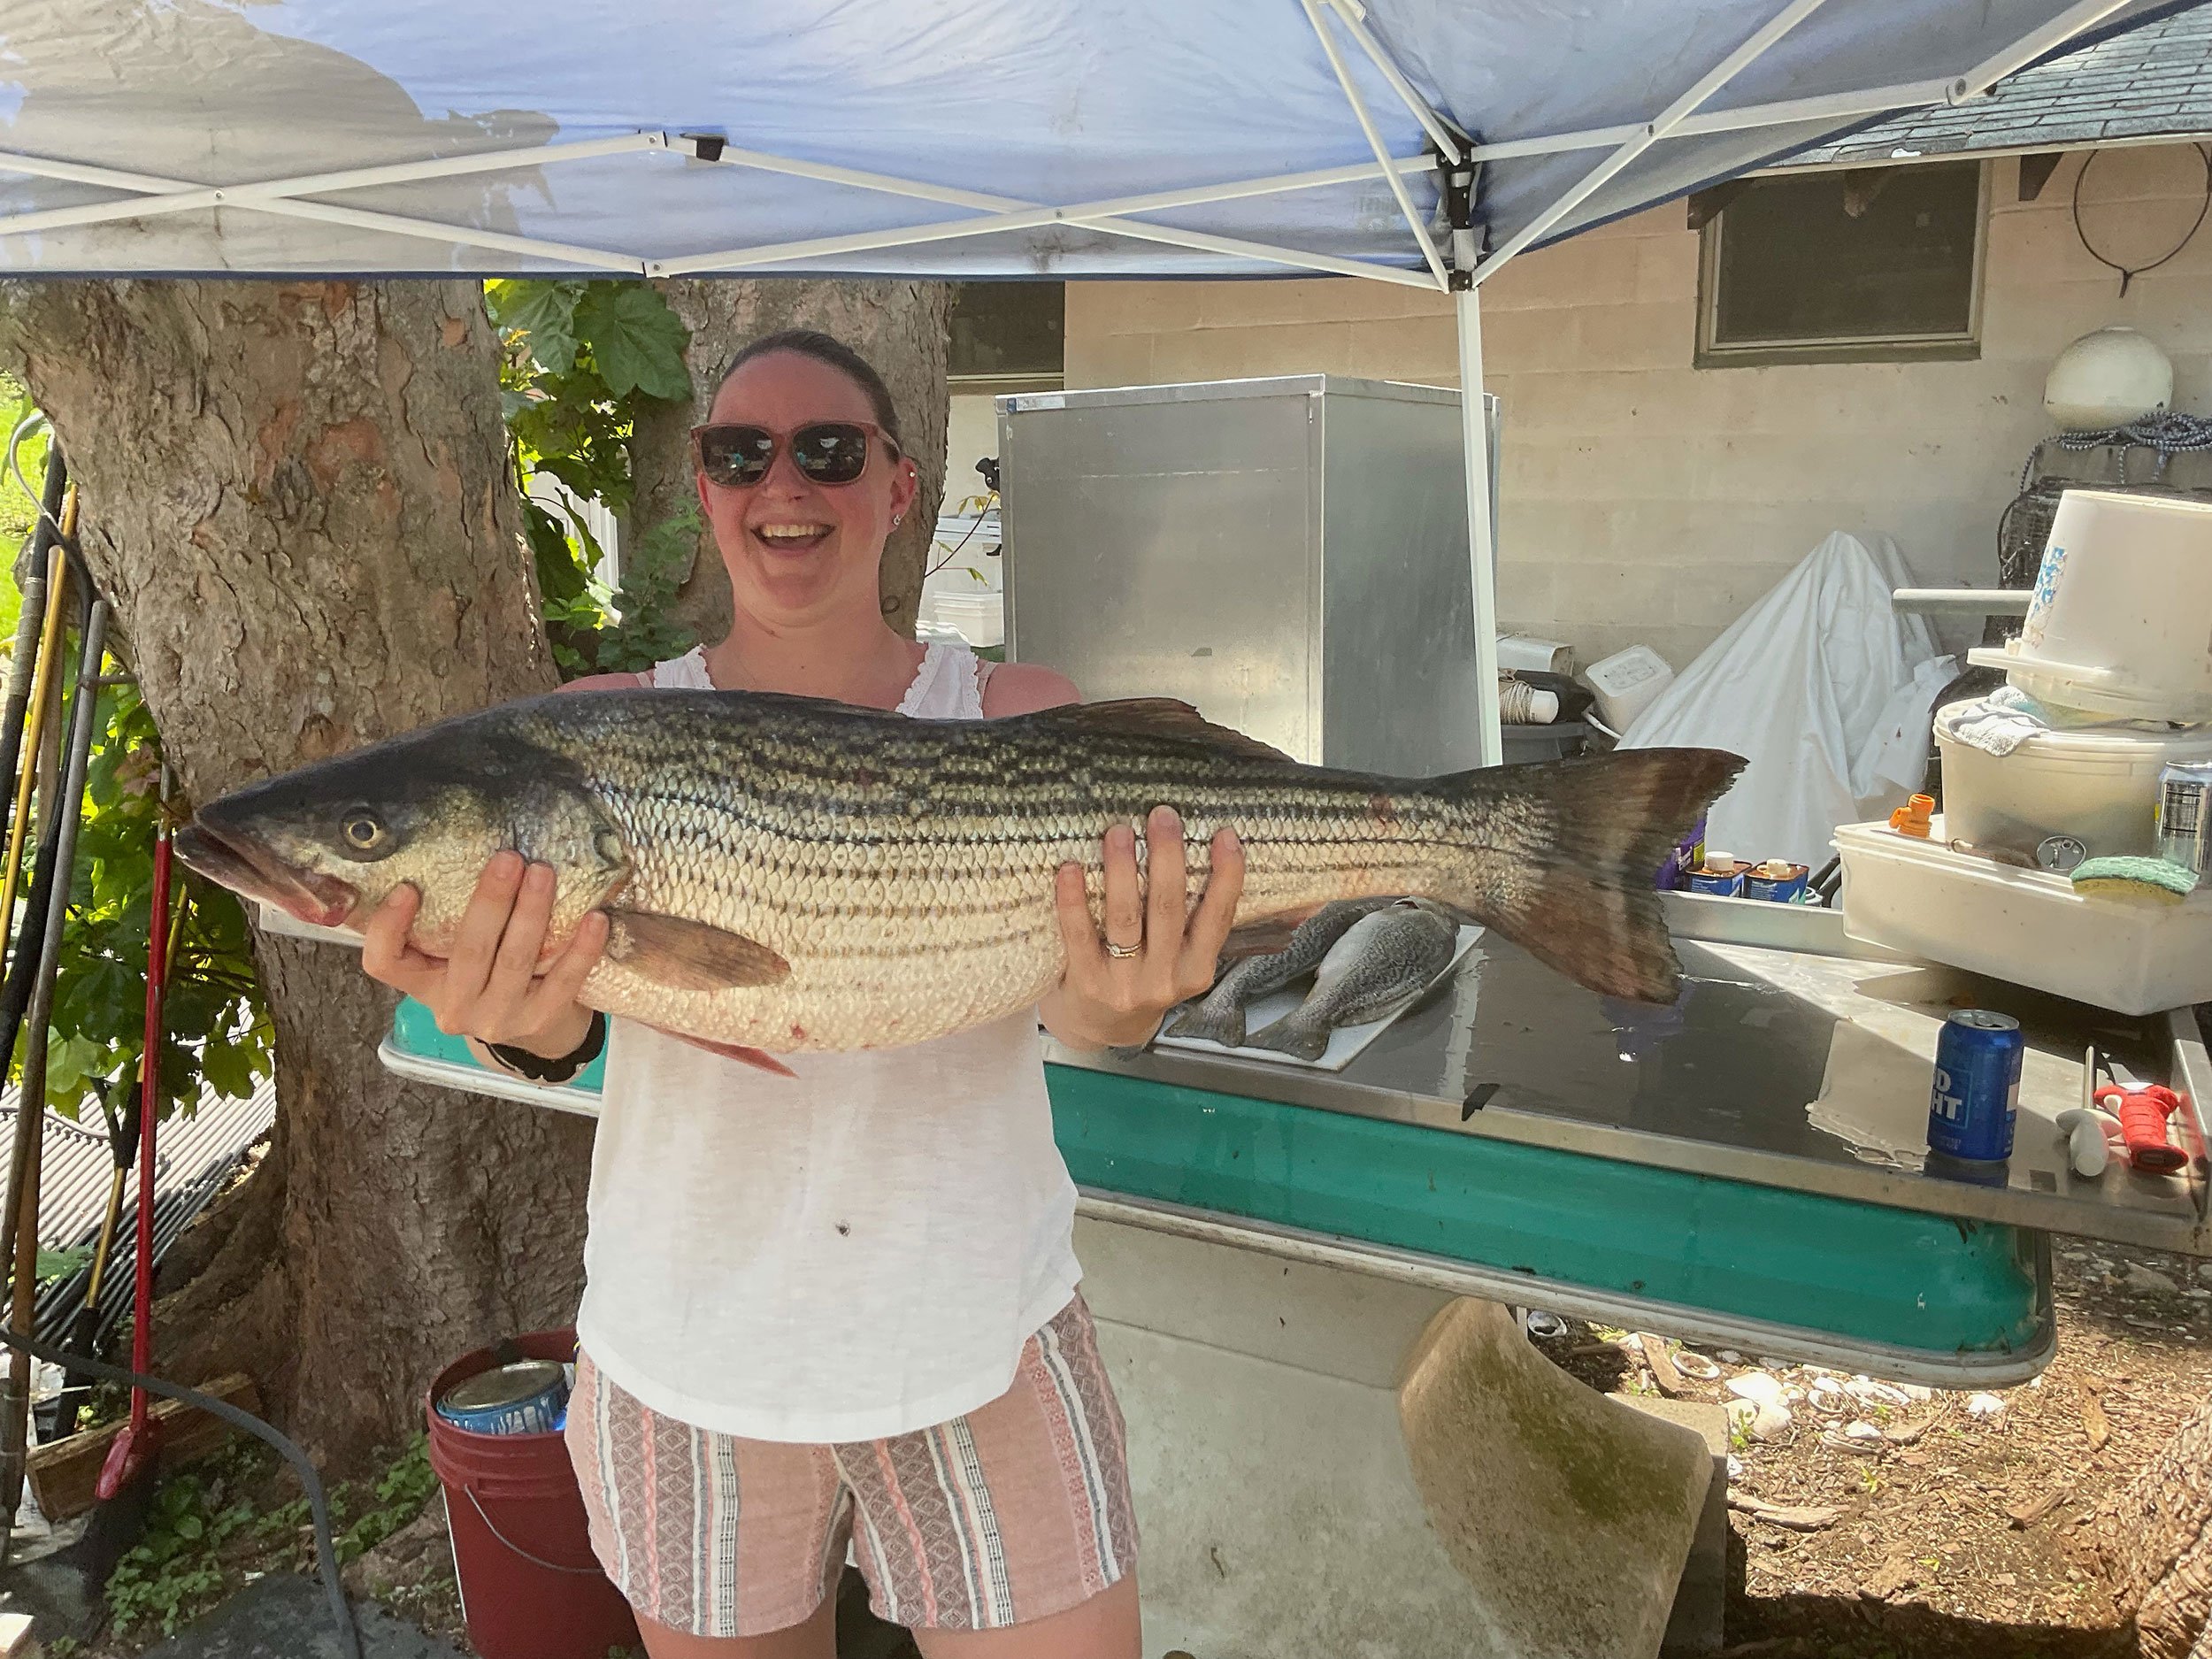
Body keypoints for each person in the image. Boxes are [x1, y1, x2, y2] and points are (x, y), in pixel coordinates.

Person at [360, 329, 1244, 1659]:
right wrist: (507, 1012)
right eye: (739, 452)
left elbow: (1084, 1013)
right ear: (704, 489)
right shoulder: (600, 726)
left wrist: (1131, 1005)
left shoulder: (1014, 709)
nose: (787, 483)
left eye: (832, 451)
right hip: (686, 1353)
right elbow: (569, 1029)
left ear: (899, 488)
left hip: (979, 1329)